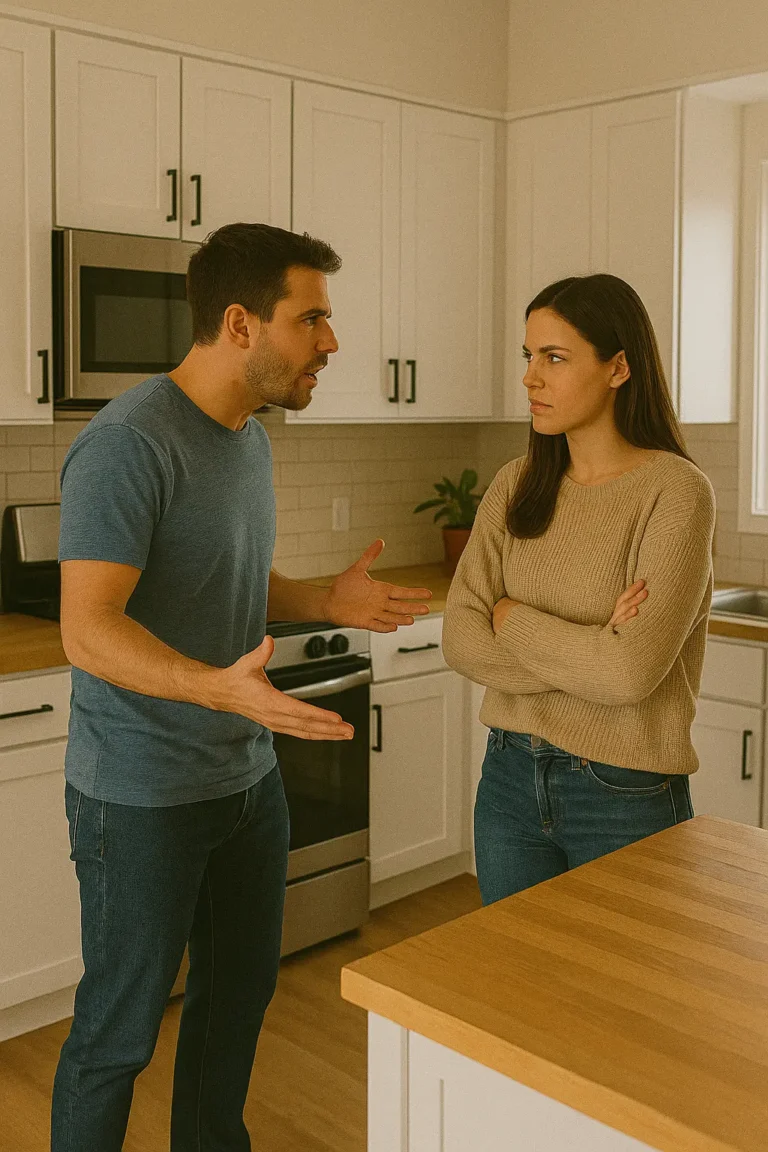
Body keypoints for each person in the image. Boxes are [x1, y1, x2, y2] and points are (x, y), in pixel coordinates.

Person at [50, 222, 432, 1151]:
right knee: (119, 1032)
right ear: (240, 322)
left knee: (234, 1004)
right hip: (141, 794)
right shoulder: (128, 444)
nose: (332, 344)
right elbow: (87, 628)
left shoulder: (249, 439)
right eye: (314, 320)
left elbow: (225, 575)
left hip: (245, 785)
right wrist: (219, 692)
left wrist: (321, 597)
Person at [442, 273, 715, 905]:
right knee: (513, 988)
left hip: (625, 792)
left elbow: (628, 675)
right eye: (528, 356)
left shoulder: (675, 493)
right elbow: (460, 642)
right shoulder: (516, 484)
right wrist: (592, 646)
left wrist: (510, 616)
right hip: (509, 776)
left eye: (555, 358)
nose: (530, 377)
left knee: (620, 997)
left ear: (618, 367)